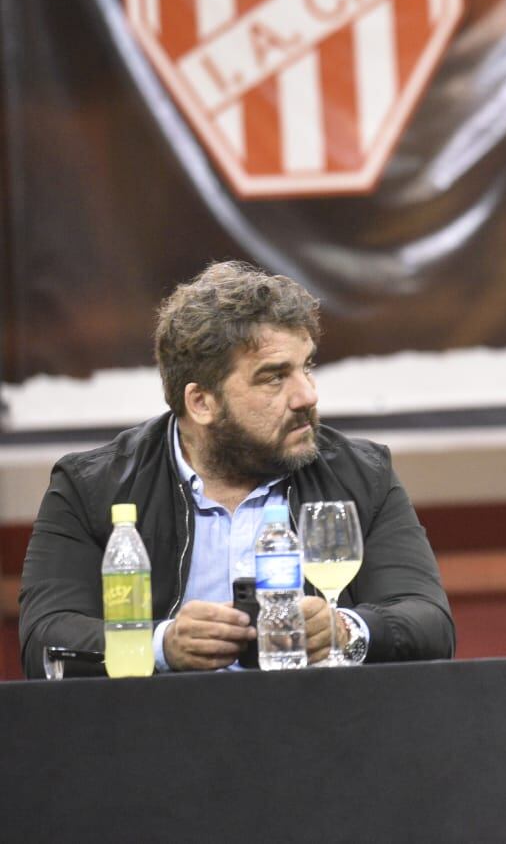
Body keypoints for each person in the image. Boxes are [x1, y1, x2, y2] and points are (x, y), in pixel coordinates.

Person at [18, 261, 454, 677]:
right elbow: (45, 641)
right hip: (153, 736)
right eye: (273, 376)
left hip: (316, 733)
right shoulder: (91, 488)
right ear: (201, 403)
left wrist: (343, 631)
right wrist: (162, 646)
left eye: (306, 367)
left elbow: (429, 625)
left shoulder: (363, 476)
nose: (307, 395)